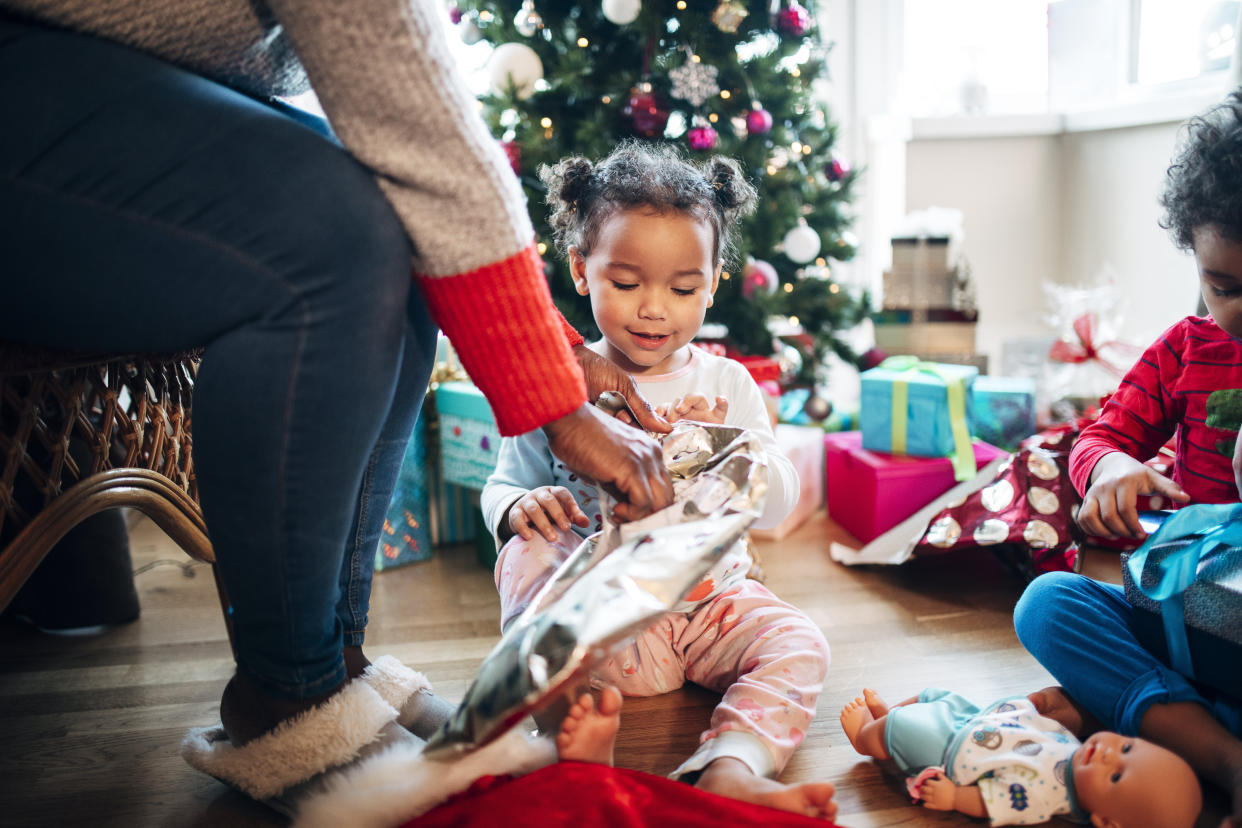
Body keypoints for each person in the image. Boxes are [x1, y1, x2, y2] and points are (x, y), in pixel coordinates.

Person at [0, 0, 675, 798]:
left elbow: (411, 136)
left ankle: (336, 664)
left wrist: (554, 353)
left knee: (396, 212)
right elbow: (415, 115)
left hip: (106, 72)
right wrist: (560, 410)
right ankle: (285, 697)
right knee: (331, 239)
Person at [480, 142, 836, 820]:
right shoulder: (560, 378)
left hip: (712, 609)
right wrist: (520, 506)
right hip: (604, 629)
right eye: (626, 283)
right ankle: (569, 734)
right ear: (582, 271)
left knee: (802, 642)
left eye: (681, 290)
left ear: (711, 284)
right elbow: (502, 486)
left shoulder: (727, 382)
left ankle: (732, 766)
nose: (653, 310)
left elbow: (779, 495)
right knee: (525, 554)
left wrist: (724, 450)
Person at [1016, 90, 1242, 828]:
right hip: (1178, 625)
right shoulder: (1187, 349)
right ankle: (1219, 754)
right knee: (1049, 604)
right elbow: (1098, 437)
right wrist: (1111, 471)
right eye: (1224, 286)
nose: (1239, 310)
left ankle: (1143, 715)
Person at [838, 686, 1201, 827]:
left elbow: (994, 801)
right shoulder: (1079, 754)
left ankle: (865, 736)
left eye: (1116, 775)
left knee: (902, 731)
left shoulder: (1045, 795)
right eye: (1126, 747)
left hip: (950, 750)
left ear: (1105, 821)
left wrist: (954, 797)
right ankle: (886, 719)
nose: (1107, 753)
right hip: (975, 720)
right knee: (932, 697)